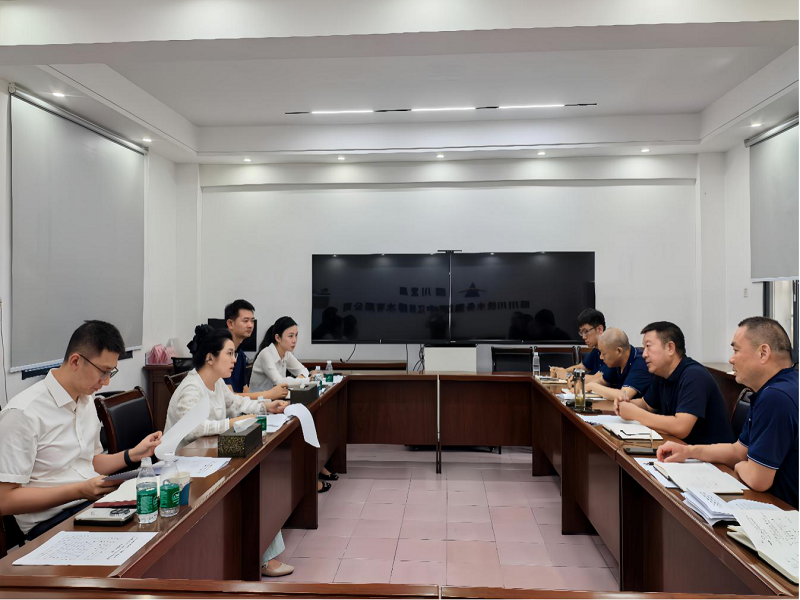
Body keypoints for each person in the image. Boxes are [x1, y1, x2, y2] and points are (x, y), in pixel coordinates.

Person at [0, 321, 162, 538]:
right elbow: (4, 500)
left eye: (111, 373)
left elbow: (90, 462)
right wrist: (78, 490)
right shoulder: (24, 413)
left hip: (90, 505)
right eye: (103, 372)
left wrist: (133, 454)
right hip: (51, 523)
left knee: (158, 519)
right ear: (76, 361)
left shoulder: (86, 400)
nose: (106, 382)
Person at [165, 325, 294, 577]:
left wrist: (268, 406)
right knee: (250, 485)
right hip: (184, 468)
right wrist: (231, 423)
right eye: (229, 353)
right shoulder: (191, 388)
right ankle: (258, 557)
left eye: (234, 353)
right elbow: (194, 430)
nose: (235, 360)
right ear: (210, 358)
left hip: (212, 457)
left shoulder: (217, 384)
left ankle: (260, 554)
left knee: (256, 480)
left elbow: (238, 403)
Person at [658, 317, 798, 508]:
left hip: (785, 512)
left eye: (736, 350)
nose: (731, 359)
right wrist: (688, 451)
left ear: (763, 353)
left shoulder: (775, 397)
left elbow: (758, 479)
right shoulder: (778, 387)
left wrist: (741, 466)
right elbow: (738, 451)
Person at [252, 316, 337, 491]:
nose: (294, 340)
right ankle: (309, 476)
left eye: (296, 335)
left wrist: (300, 378)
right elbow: (279, 381)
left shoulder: (286, 354)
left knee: (310, 417)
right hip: (261, 409)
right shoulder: (266, 354)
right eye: (290, 336)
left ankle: (317, 467)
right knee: (301, 424)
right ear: (277, 337)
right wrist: (301, 379)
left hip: (278, 404)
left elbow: (303, 371)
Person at [615, 321, 733, 445]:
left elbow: (681, 428)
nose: (644, 354)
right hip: (680, 448)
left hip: (709, 454)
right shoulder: (661, 374)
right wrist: (626, 404)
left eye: (648, 346)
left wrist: (635, 414)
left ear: (670, 348)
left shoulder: (694, 375)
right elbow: (647, 404)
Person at [223, 299, 289, 402]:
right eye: (245, 321)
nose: (250, 325)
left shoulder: (240, 355)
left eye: (252, 321)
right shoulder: (221, 354)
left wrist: (265, 404)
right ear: (230, 323)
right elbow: (229, 397)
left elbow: (245, 390)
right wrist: (268, 394)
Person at [585, 328, 653, 401]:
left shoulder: (640, 362)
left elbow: (624, 395)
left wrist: (592, 386)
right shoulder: (616, 362)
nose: (601, 357)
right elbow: (602, 381)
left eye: (604, 354)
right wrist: (582, 386)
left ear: (619, 351)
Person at [550, 308, 610, 384]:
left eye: (586, 331)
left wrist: (567, 375)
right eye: (581, 332)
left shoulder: (610, 352)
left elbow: (598, 378)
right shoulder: (596, 350)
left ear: (600, 329)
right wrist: (562, 370)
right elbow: (582, 367)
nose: (583, 337)